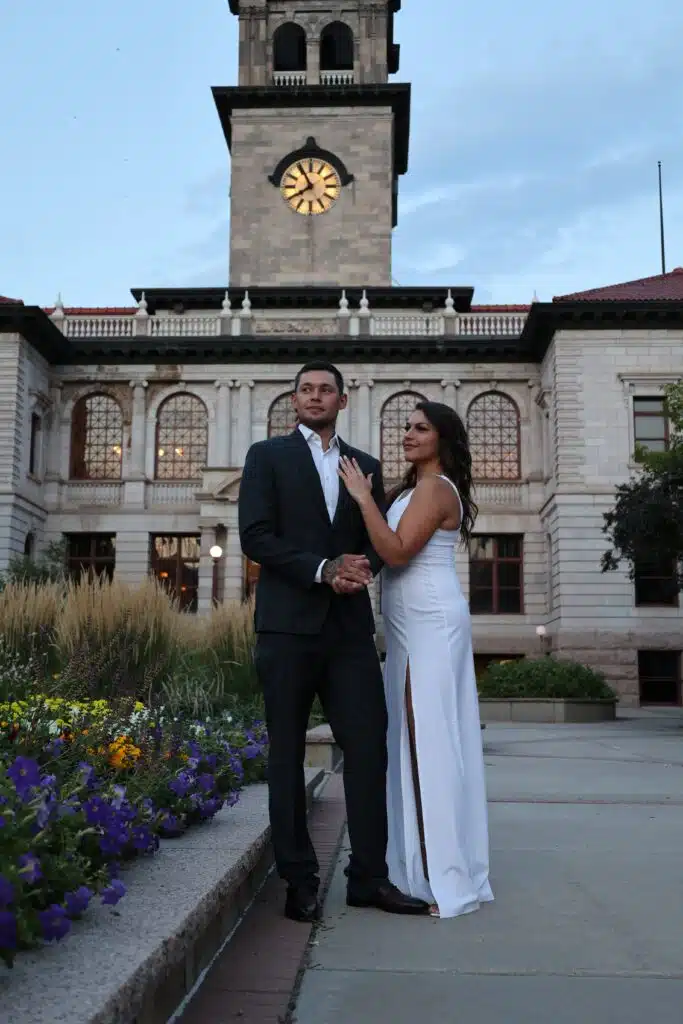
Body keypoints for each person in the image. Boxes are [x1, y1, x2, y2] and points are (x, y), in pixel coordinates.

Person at [238, 361, 429, 923]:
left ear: (342, 401)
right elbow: (255, 536)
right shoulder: (265, 457)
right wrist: (322, 568)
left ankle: (368, 879)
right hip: (286, 630)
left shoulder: (363, 466)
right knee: (287, 754)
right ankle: (298, 878)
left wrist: (358, 567)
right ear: (294, 400)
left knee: (370, 750)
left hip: (348, 634)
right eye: (306, 390)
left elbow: (376, 540)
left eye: (326, 390)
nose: (315, 397)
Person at [338, 400, 493, 919]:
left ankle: (443, 877)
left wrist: (363, 498)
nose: (408, 434)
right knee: (408, 742)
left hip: (431, 622)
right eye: (407, 426)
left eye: (420, 428)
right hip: (407, 628)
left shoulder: (435, 488)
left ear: (443, 438)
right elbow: (381, 551)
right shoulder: (411, 488)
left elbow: (399, 552)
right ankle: (415, 870)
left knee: (429, 744)